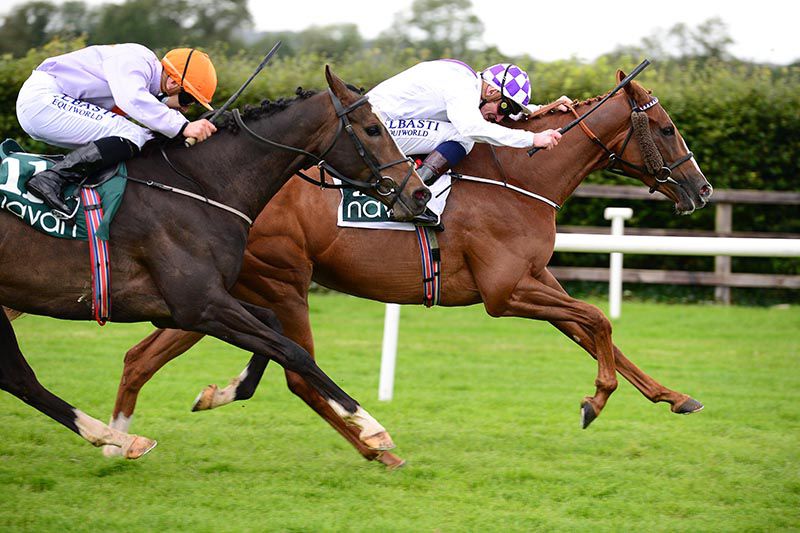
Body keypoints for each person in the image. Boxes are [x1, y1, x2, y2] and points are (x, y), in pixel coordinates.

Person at [15, 43, 218, 216]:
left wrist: (173, 110)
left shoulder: (146, 78)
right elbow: (132, 99)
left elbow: (144, 100)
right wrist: (182, 126)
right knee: (132, 134)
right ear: (173, 81)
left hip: (50, 104)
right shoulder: (139, 59)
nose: (187, 106)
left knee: (141, 137)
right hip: (42, 100)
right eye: (188, 98)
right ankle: (50, 179)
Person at [366, 60, 569, 224]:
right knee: (463, 137)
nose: (500, 118)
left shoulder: (468, 82)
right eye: (504, 109)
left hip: (378, 125)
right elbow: (471, 127)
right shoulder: (461, 85)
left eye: (509, 112)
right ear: (490, 92)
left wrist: (546, 108)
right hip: (374, 130)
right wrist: (532, 139)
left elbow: (494, 114)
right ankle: (412, 197)